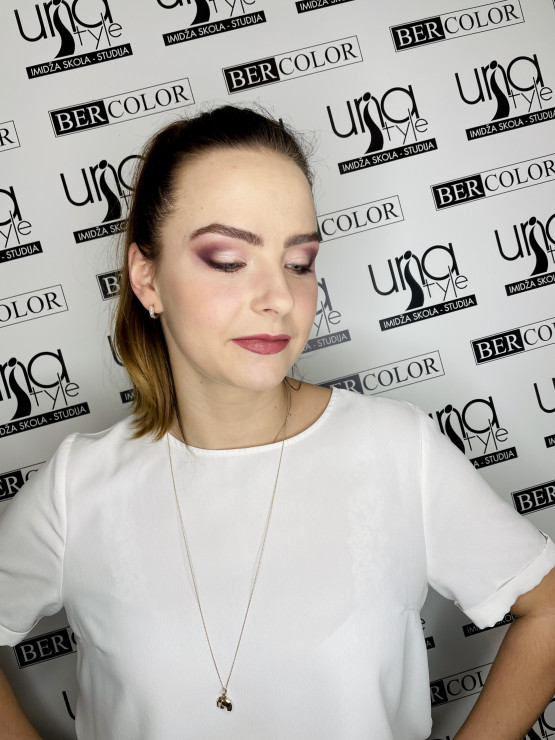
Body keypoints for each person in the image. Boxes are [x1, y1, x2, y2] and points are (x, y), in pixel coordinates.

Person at [1, 104, 555, 740]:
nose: (278, 298)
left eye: (299, 262)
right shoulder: (78, 485)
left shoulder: (396, 448)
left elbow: (547, 610)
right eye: (228, 259)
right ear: (147, 279)